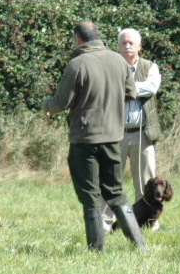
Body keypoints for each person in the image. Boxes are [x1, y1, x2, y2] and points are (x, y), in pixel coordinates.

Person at [43, 21, 146, 252]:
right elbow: (131, 92)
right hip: (113, 138)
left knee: (90, 197)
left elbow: (61, 102)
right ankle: (140, 246)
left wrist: (46, 106)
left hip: (85, 141)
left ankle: (96, 250)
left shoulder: (77, 64)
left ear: (79, 39)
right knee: (117, 192)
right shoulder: (119, 61)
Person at [102, 28, 163, 231]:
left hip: (142, 134)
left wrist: (124, 88)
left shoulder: (150, 66)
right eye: (123, 43)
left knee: (147, 183)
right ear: (118, 46)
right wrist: (137, 87)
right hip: (114, 134)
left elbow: (152, 87)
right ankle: (105, 224)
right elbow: (106, 90)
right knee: (110, 180)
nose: (127, 46)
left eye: (131, 43)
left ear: (139, 46)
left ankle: (149, 224)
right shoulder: (110, 66)